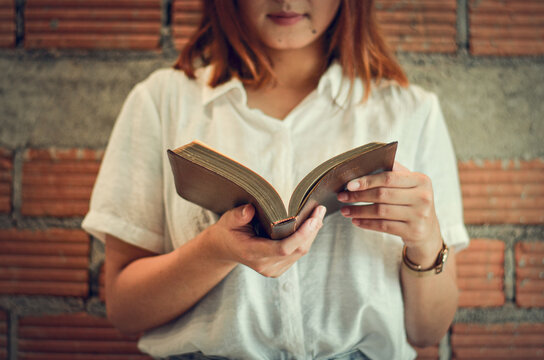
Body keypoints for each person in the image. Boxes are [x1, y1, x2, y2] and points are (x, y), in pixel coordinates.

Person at [82, 0, 469, 359]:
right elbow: (124, 311)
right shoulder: (161, 102)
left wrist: (425, 240)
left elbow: (427, 331)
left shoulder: (411, 111)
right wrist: (215, 253)